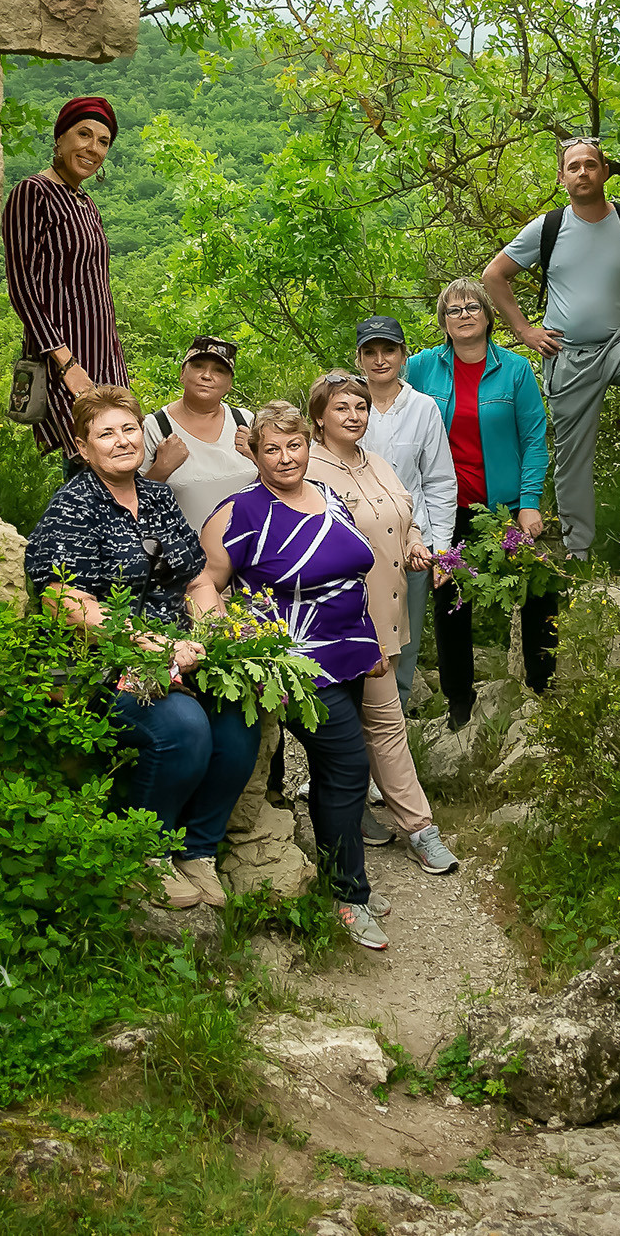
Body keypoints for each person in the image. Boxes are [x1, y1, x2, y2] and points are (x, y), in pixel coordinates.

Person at [23, 384, 249, 914]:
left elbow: (197, 581)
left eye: (129, 429)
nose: (122, 441)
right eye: (106, 434)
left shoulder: (158, 499)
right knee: (183, 726)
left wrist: (214, 638)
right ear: (83, 448)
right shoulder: (75, 506)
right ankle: (147, 849)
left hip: (181, 648)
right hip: (106, 660)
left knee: (238, 716)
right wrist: (146, 645)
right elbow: (62, 597)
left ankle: (199, 851)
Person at [193, 403, 392, 951]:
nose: (285, 458)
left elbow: (354, 575)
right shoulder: (238, 513)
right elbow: (205, 584)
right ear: (253, 453)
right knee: (349, 763)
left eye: (295, 445)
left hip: (349, 652)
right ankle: (349, 897)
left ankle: (341, 875)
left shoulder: (330, 496)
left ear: (309, 445)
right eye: (271, 449)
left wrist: (370, 639)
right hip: (297, 664)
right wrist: (231, 645)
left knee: (339, 773)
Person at [482, 136, 620, 560]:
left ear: (604, 172)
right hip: (567, 354)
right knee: (571, 457)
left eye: (591, 164)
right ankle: (578, 550)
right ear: (562, 178)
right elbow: (494, 275)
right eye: (574, 167)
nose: (583, 172)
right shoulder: (547, 228)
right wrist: (524, 331)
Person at [307, 371, 463, 875]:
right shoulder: (307, 468)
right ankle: (421, 828)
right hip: (345, 622)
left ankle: (354, 816)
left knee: (359, 722)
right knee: (383, 723)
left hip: (389, 612)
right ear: (318, 417)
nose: (353, 416)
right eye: (340, 408)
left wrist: (416, 541)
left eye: (359, 407)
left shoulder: (376, 462)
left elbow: (404, 514)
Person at [406, 278, 556, 725]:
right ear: (443, 322)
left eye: (473, 306)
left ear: (490, 316)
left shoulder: (514, 370)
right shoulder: (420, 368)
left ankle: (541, 688)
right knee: (451, 598)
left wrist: (530, 501)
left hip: (503, 509)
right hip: (443, 511)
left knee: (537, 589)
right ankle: (458, 700)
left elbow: (534, 439)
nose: (464, 314)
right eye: (453, 310)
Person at [2, 97, 129, 463]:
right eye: (84, 134)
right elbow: (23, 288)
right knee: (92, 460)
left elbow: (95, 288)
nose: (93, 148)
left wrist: (114, 359)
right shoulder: (33, 193)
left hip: (104, 357)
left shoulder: (86, 204)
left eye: (103, 141)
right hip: (62, 358)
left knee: (118, 461)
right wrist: (68, 365)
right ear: (59, 139)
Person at [351, 316, 458, 717]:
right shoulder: (347, 406)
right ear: (359, 358)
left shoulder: (423, 408)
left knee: (405, 637)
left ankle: (396, 729)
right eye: (371, 352)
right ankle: (356, 728)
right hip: (356, 543)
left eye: (388, 350)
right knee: (357, 631)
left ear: (403, 355)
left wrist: (442, 550)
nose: (380, 360)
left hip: (415, 543)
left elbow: (440, 482)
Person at [140, 335, 259, 532]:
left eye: (219, 370)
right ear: (182, 374)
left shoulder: (245, 421)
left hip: (250, 553)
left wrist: (257, 457)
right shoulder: (155, 427)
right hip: (184, 556)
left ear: (229, 384)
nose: (206, 376)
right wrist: (161, 469)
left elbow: (278, 485)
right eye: (198, 366)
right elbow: (132, 504)